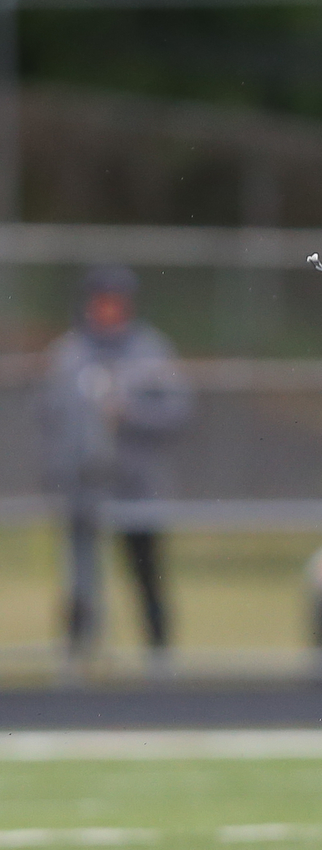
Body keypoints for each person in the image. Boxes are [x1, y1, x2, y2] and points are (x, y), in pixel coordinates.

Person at [41, 266, 191, 656]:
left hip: (137, 485)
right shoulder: (69, 354)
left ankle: (158, 656)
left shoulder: (150, 351)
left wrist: (128, 413)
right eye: (100, 302)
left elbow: (178, 413)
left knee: (146, 573)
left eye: (115, 302)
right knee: (79, 579)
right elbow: (49, 417)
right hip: (83, 485)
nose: (108, 310)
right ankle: (77, 657)